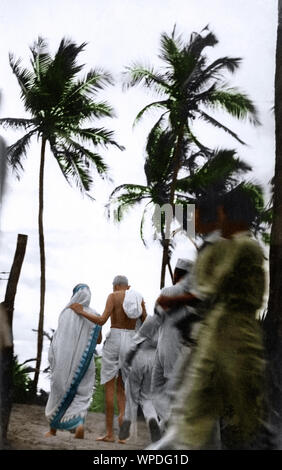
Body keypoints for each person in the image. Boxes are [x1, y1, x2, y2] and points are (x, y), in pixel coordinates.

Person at [149, 185, 267, 450]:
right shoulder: (228, 245)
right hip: (213, 334)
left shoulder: (240, 247)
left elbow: (210, 290)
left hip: (232, 335)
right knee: (196, 411)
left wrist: (175, 301)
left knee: (243, 414)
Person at [70, 275, 147, 443]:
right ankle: (124, 434)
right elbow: (146, 324)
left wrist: (81, 311)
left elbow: (102, 320)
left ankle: (110, 434)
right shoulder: (138, 298)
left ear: (116, 286)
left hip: (114, 339)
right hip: (131, 341)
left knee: (110, 387)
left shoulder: (113, 296)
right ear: (128, 286)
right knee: (123, 388)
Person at [45, 284, 102, 439]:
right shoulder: (95, 314)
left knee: (58, 394)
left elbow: (58, 341)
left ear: (74, 294)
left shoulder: (66, 313)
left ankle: (53, 430)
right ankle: (78, 425)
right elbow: (98, 340)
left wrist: (53, 359)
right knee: (81, 396)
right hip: (85, 364)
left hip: (65, 364)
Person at [119, 322, 161, 444]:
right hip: (155, 359)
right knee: (147, 397)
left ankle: (127, 422)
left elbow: (135, 343)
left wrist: (127, 360)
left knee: (131, 395)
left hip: (140, 356)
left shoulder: (151, 320)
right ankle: (152, 419)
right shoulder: (167, 324)